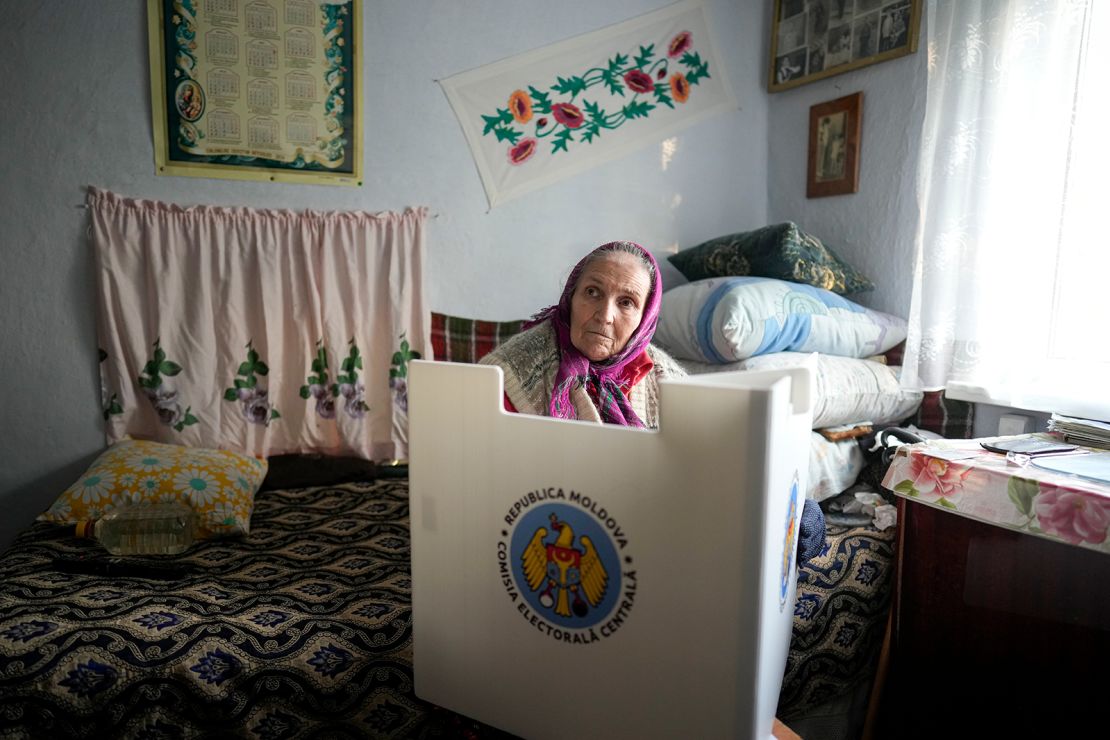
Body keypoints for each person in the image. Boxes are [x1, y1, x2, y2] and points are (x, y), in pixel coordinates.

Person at [480, 240, 686, 429]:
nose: (605, 316)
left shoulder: (668, 379)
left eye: (626, 302)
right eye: (592, 292)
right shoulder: (505, 374)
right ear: (571, 298)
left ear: (645, 320)